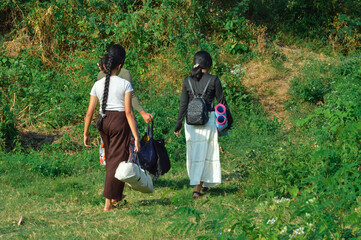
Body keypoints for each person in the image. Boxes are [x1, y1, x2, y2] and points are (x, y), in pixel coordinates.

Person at [84, 45, 140, 211]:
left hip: (103, 122)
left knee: (111, 160)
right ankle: (108, 203)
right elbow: (129, 112)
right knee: (117, 161)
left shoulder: (97, 84)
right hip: (119, 122)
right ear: (120, 66)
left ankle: (116, 196)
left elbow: (89, 113)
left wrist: (85, 133)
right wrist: (136, 136)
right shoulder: (125, 84)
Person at [174, 51, 233, 199]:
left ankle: (202, 183)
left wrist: (178, 123)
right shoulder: (214, 80)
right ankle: (197, 188)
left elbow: (183, 104)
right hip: (208, 120)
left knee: (195, 154)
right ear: (209, 64)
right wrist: (229, 121)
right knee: (207, 153)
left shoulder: (187, 80)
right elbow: (221, 101)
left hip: (191, 123)